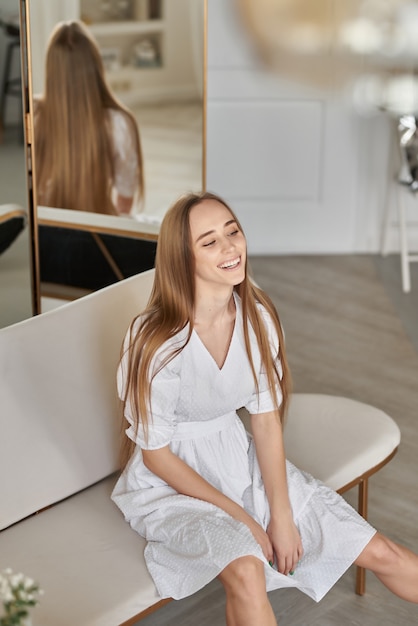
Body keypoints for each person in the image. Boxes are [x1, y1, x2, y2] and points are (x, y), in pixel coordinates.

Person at [112, 191, 418, 625]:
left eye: (232, 231)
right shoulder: (157, 341)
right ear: (183, 259)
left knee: (380, 551)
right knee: (247, 569)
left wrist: (281, 515)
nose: (230, 247)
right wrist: (245, 521)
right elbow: (156, 456)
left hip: (239, 460)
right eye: (210, 241)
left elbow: (266, 423)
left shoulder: (257, 317)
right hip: (170, 485)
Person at [33, 20, 144, 216]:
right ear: (96, 65)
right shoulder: (119, 123)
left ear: (51, 69)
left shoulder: (33, 114)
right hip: (97, 230)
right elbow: (125, 198)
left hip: (47, 232)